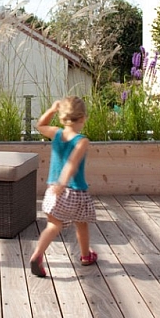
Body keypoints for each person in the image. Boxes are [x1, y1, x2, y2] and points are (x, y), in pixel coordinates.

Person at [29, 96, 98, 278]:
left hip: (53, 190)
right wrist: (63, 182)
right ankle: (85, 256)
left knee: (53, 225)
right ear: (83, 118)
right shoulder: (81, 140)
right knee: (81, 224)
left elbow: (39, 125)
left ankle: (37, 254)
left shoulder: (56, 133)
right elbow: (72, 163)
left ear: (61, 118)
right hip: (74, 191)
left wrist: (51, 110)